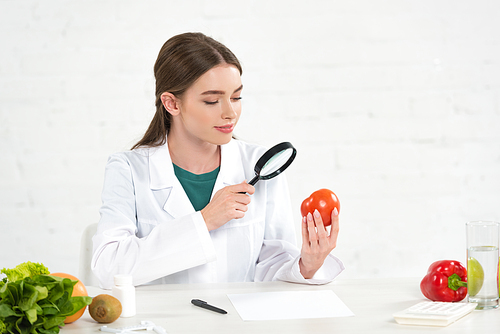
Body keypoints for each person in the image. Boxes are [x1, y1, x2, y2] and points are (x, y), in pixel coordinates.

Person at [92, 32, 344, 289]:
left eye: (236, 97)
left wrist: (307, 265)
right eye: (212, 100)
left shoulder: (260, 163)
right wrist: (205, 221)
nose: (230, 112)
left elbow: (273, 264)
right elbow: (109, 268)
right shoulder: (128, 169)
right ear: (171, 104)